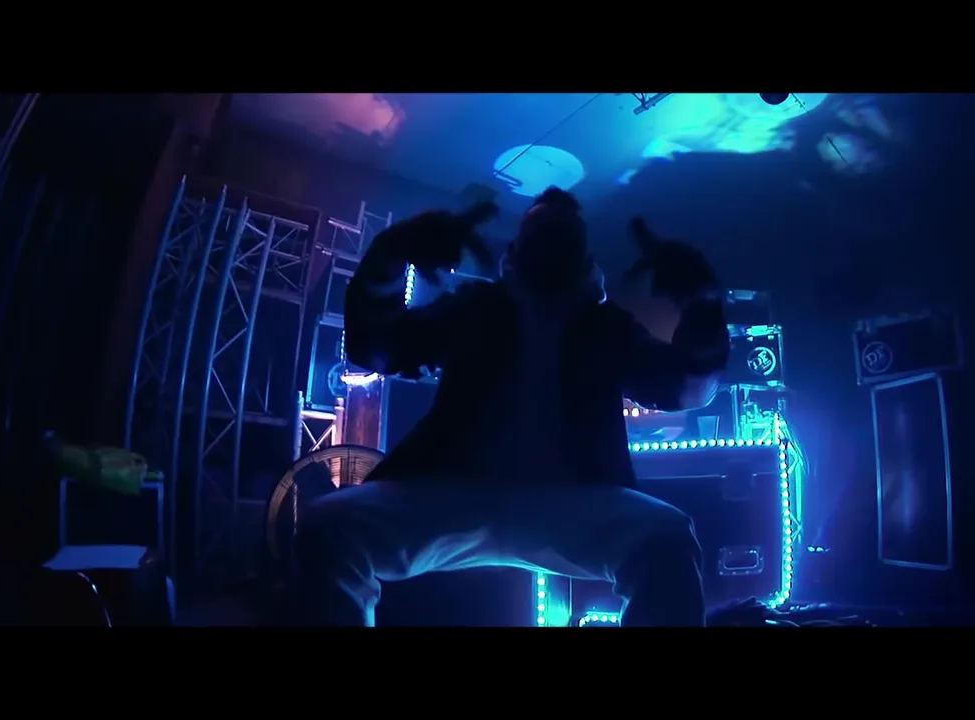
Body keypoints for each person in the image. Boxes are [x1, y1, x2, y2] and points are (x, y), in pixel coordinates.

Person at [293, 187, 729, 626]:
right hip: (459, 491)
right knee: (329, 526)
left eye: (562, 237)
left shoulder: (605, 327)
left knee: (668, 538)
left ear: (581, 255)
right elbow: (375, 345)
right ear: (517, 248)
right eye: (543, 233)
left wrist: (704, 306)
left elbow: (686, 388)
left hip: (569, 500)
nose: (551, 247)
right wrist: (391, 252)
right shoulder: (477, 308)